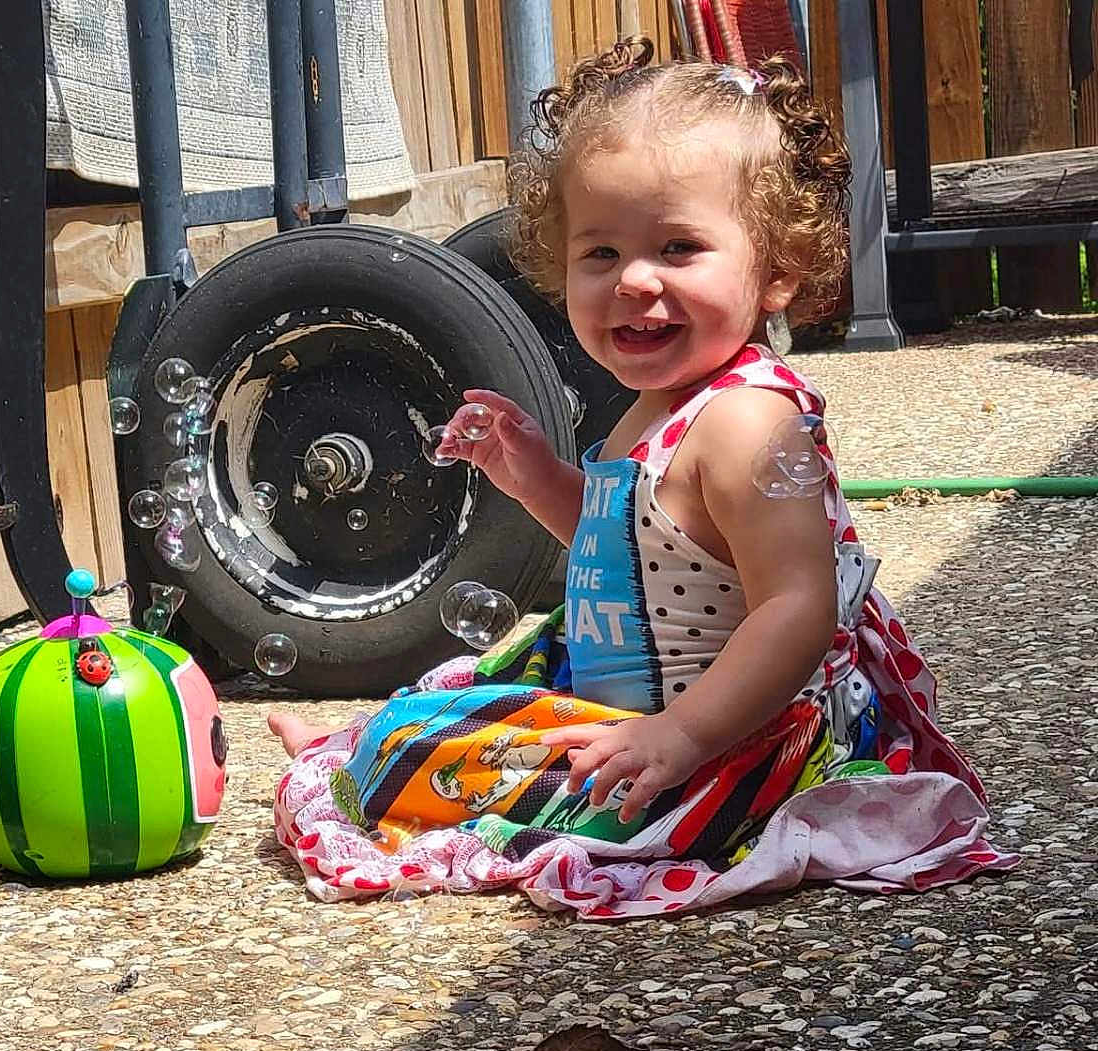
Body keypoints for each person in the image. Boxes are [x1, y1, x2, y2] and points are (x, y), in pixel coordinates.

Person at [269, 41, 1013, 918]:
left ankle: (361, 757)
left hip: (728, 741)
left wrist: (685, 734)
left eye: (679, 247)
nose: (633, 279)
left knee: (429, 749)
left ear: (776, 269)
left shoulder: (746, 423)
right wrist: (534, 475)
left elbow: (796, 610)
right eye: (600, 253)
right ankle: (364, 749)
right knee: (449, 704)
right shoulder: (659, 405)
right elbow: (629, 548)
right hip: (637, 716)